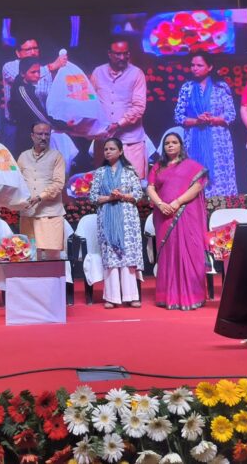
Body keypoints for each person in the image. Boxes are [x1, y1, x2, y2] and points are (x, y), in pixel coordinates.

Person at [146, 132, 208, 310]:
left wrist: (177, 202)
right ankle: (169, 296)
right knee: (169, 253)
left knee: (189, 251)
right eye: (167, 143)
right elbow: (150, 188)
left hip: (186, 213)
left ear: (181, 145)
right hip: (164, 214)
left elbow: (197, 187)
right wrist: (160, 204)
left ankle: (191, 296)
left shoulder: (192, 166)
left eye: (174, 142)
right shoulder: (158, 167)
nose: (170, 145)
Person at [89, 138, 144, 308]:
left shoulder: (129, 171)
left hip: (127, 218)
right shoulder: (99, 172)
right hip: (107, 217)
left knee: (127, 255)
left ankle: (131, 295)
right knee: (111, 255)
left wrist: (122, 196)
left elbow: (138, 194)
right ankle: (111, 297)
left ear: (120, 151)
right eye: (106, 149)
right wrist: (110, 198)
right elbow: (93, 197)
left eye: (112, 149)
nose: (108, 152)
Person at [174, 51, 237, 197]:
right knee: (194, 174)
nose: (194, 68)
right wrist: (197, 121)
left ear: (210, 67)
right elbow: (178, 116)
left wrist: (213, 119)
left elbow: (231, 114)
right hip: (193, 139)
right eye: (192, 65)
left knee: (219, 176)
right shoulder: (187, 88)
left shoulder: (220, 87)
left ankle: (221, 205)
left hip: (218, 142)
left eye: (199, 65)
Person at [91, 37, 148, 179]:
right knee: (103, 183)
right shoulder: (98, 72)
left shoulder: (137, 74)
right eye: (118, 54)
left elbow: (139, 107)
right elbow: (90, 101)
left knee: (132, 183)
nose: (122, 57)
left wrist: (118, 125)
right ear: (109, 54)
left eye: (125, 53)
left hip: (130, 141)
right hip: (104, 140)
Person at [17, 123, 66, 260]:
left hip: (50, 213)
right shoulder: (23, 156)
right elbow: (17, 181)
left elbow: (58, 184)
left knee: (53, 257)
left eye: (47, 134)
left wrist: (40, 197)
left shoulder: (56, 156)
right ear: (32, 136)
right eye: (40, 134)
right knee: (30, 256)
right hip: (28, 214)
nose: (43, 137)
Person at [8, 56, 70, 154]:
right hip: (26, 138)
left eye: (38, 72)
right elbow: (40, 116)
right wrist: (62, 125)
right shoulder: (23, 91)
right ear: (23, 73)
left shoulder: (26, 87)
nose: (37, 75)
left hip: (31, 135)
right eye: (33, 72)